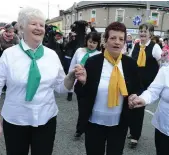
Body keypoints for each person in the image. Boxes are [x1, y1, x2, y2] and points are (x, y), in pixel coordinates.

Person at [0, 7, 86, 155]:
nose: (38, 28)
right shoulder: (8, 55)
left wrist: (72, 76)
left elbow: (61, 88)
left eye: (41, 25)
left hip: (46, 119)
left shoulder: (52, 56)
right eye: (33, 24)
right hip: (16, 120)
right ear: (22, 27)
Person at [77, 22, 141, 155]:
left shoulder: (130, 64)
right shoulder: (93, 62)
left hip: (119, 123)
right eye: (113, 38)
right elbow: (81, 93)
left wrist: (135, 96)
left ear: (124, 42)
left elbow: (136, 88)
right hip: (94, 122)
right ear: (105, 41)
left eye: (121, 39)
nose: (117, 42)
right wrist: (82, 83)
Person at [129, 23, 162, 148]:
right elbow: (131, 61)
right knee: (130, 106)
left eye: (145, 31)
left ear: (151, 34)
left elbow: (162, 64)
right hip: (134, 81)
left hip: (146, 84)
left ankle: (135, 136)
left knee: (138, 108)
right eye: (141, 31)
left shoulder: (155, 47)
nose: (142, 33)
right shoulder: (136, 45)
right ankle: (132, 131)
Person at [68, 31, 101, 138]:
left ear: (98, 44)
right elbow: (72, 66)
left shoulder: (99, 55)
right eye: (90, 41)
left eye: (94, 43)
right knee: (82, 108)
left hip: (92, 85)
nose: (92, 44)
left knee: (90, 107)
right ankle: (80, 129)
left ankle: (87, 127)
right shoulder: (79, 51)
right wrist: (70, 84)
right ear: (86, 41)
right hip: (79, 85)